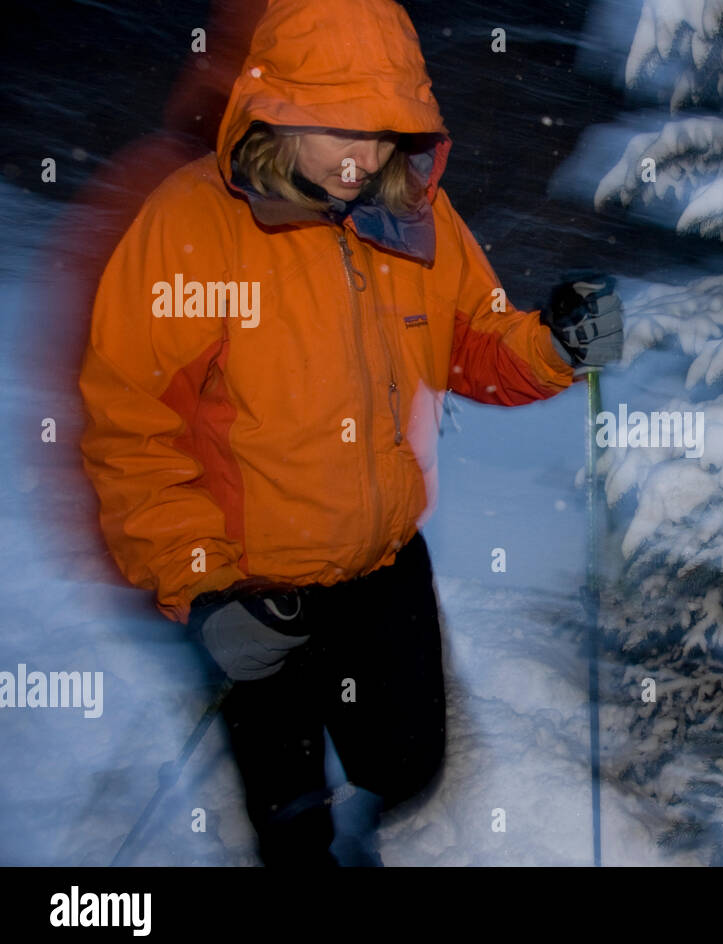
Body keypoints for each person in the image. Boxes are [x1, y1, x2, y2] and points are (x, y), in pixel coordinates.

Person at [77, 0, 622, 866]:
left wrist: (554, 346)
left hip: (384, 566)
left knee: (410, 765)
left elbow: (476, 344)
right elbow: (130, 426)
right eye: (337, 128)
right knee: (289, 815)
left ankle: (370, 814)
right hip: (256, 584)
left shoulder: (415, 216)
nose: (362, 159)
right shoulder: (192, 226)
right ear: (275, 109)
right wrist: (202, 587)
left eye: (384, 129)